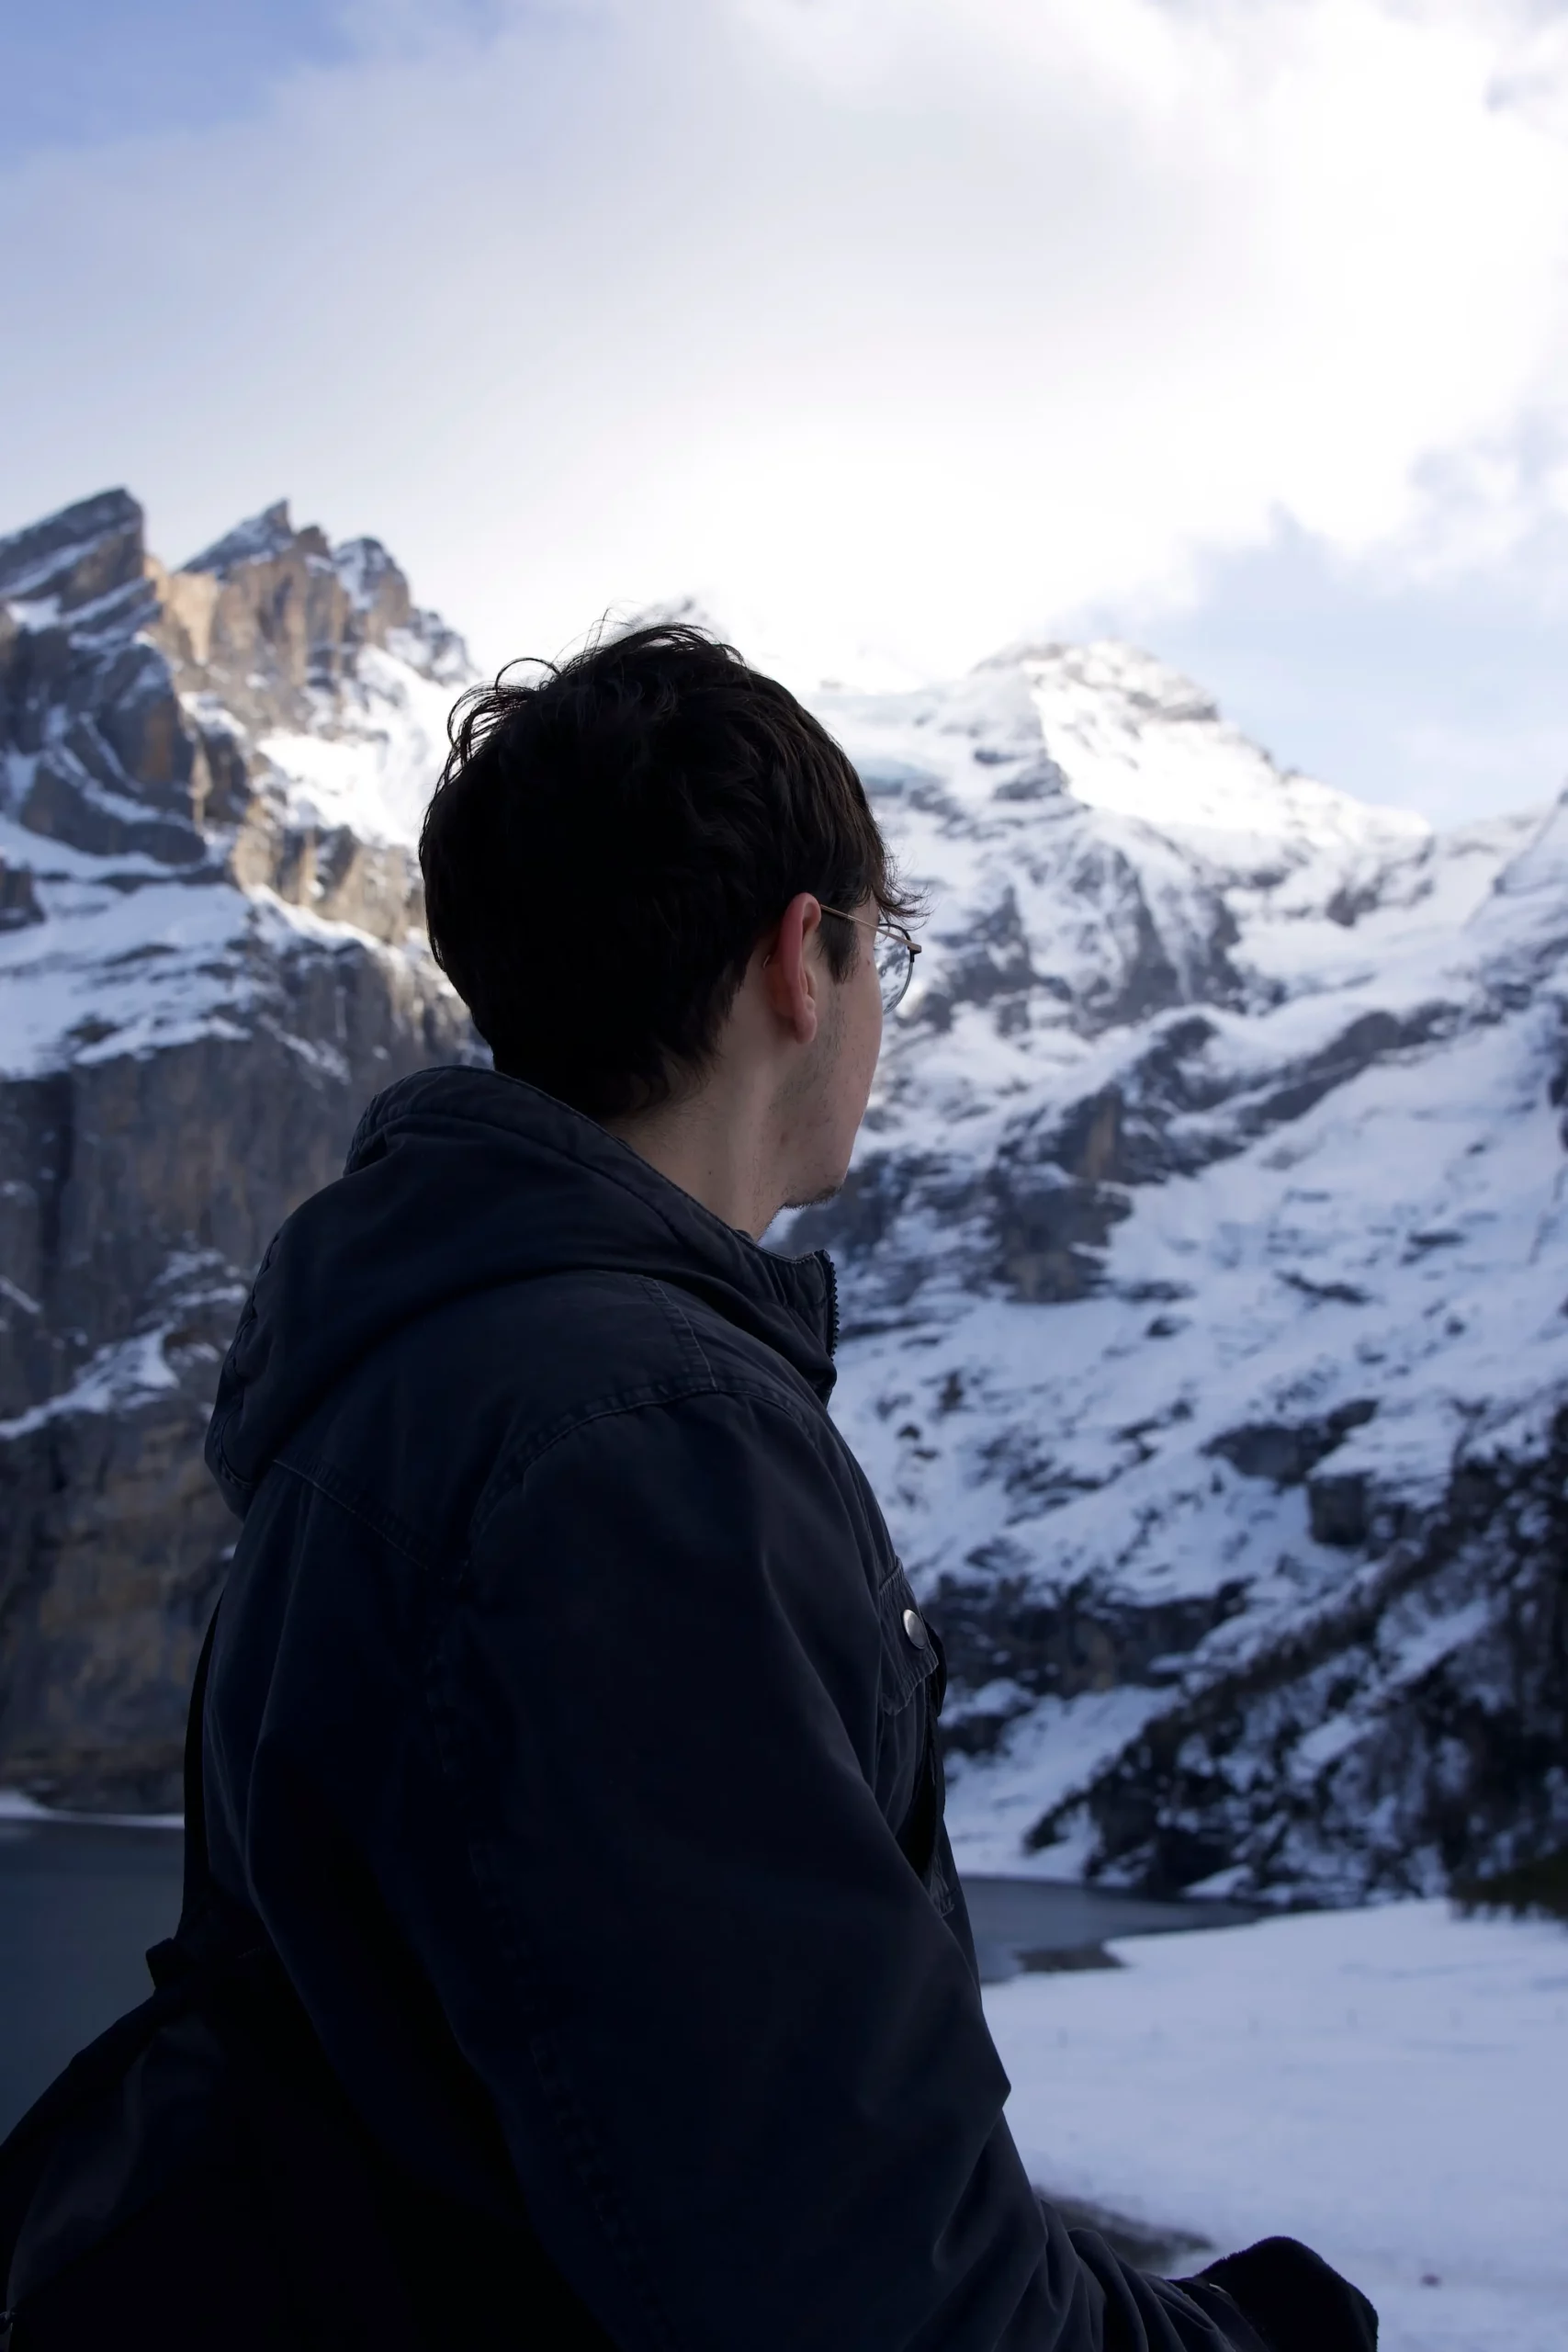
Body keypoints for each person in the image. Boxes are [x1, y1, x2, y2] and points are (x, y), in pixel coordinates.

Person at [200, 625, 1376, 2349]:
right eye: (881, 946)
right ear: (799, 966)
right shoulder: (635, 1448)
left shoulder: (406, 1366)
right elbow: (863, 2294)